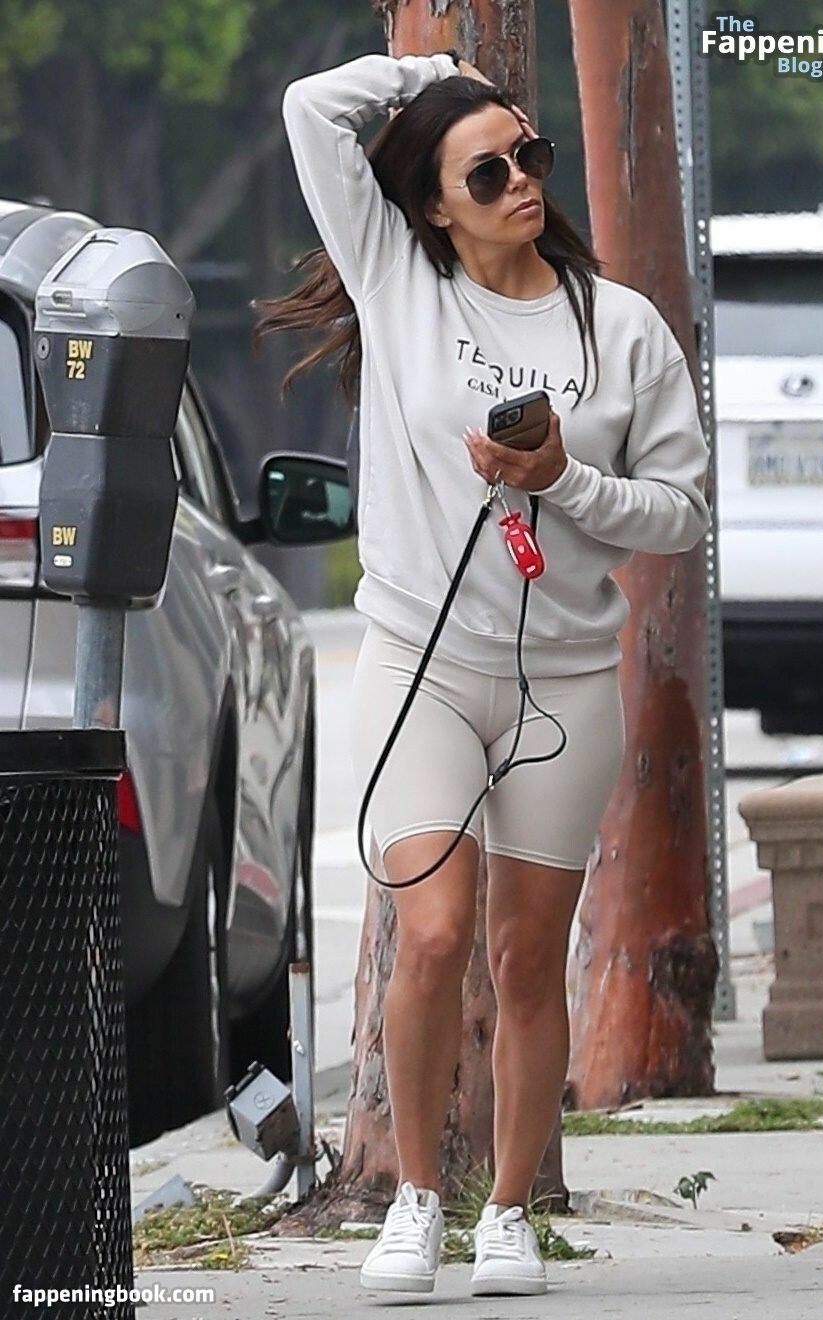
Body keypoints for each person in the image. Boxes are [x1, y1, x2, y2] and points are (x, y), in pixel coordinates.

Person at [256, 47, 711, 1299]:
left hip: (563, 683)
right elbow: (309, 107)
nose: (521, 182)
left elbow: (679, 512)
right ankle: (414, 1198)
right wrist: (432, 69)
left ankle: (507, 1210)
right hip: (422, 665)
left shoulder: (619, 328)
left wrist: (563, 479)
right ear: (432, 204)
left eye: (530, 156)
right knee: (433, 930)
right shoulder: (398, 281)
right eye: (488, 171)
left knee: (523, 957)